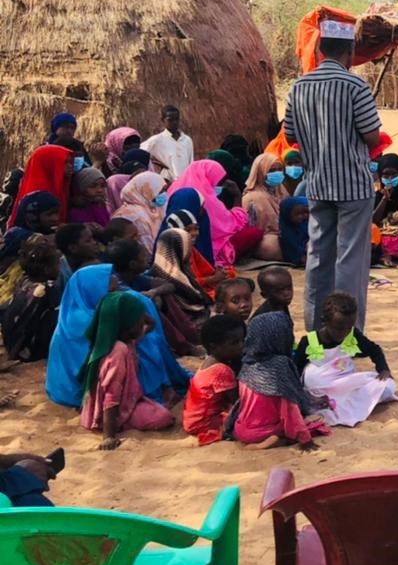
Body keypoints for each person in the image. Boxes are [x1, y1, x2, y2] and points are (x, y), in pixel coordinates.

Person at [283, 19, 383, 329]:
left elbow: (289, 135)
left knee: (318, 260)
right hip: (353, 185)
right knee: (350, 263)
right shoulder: (355, 86)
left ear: (322, 49)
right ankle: (348, 333)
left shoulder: (299, 87)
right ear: (350, 51)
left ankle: (316, 331)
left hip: (316, 183)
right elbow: (372, 137)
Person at [45, 259, 189, 408]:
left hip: (63, 390)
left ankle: (165, 386)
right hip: (85, 391)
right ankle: (164, 387)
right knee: (146, 342)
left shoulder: (71, 313)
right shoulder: (88, 319)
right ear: (93, 290)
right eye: (110, 292)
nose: (115, 296)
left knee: (145, 339)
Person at [78, 291, 175, 448]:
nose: (142, 322)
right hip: (113, 412)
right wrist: (108, 436)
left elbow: (150, 324)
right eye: (138, 320)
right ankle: (118, 425)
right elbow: (111, 393)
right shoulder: (118, 350)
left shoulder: (123, 340)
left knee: (160, 409)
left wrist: (136, 312)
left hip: (127, 400)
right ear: (128, 325)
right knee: (164, 417)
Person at [293, 290, 396, 427]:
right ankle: (331, 407)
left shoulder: (352, 336)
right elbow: (295, 370)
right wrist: (306, 397)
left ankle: (338, 406)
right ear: (325, 321)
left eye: (349, 327)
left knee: (387, 386)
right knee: (313, 405)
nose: (345, 332)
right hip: (319, 393)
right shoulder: (308, 341)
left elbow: (374, 350)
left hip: (344, 384)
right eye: (339, 328)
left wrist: (383, 369)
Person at [228, 311, 330, 450]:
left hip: (241, 429)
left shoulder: (247, 363)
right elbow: (289, 409)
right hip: (263, 432)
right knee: (315, 423)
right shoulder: (280, 366)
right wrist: (306, 441)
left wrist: (311, 400)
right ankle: (274, 441)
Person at [170, 160, 262, 267]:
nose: (220, 186)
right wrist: (237, 195)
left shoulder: (174, 189)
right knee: (254, 233)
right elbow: (232, 224)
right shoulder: (205, 198)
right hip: (209, 249)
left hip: (178, 247)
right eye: (219, 182)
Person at [149, 225, 214, 356]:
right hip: (186, 322)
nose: (190, 250)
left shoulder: (178, 267)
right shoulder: (170, 275)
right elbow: (195, 300)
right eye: (188, 246)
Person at [182, 315, 245, 445]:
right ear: (214, 346)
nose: (241, 346)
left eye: (242, 340)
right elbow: (237, 402)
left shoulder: (209, 362)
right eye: (234, 343)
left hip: (191, 419)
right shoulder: (222, 370)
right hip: (204, 424)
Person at [2, 236, 61, 362]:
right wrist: (15, 351)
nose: (60, 268)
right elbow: (28, 323)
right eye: (58, 264)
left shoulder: (24, 282)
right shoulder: (46, 289)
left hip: (11, 340)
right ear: (47, 269)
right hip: (27, 348)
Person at [8, 144, 74, 228]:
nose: (71, 166)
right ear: (49, 163)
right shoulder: (36, 196)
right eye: (65, 162)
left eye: (71, 162)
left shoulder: (62, 187)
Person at [241, 152, 288, 260]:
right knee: (269, 246)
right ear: (261, 172)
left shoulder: (281, 191)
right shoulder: (252, 197)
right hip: (268, 238)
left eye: (279, 169)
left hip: (287, 233)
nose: (277, 173)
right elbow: (252, 227)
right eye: (272, 170)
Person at [110, 172, 169, 255]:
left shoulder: (152, 208)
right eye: (160, 191)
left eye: (164, 190)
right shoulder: (133, 215)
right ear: (145, 191)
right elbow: (149, 247)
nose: (164, 194)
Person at [140, 105, 194, 180]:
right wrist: (155, 163)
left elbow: (191, 162)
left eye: (176, 119)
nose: (174, 122)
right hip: (168, 182)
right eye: (170, 120)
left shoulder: (187, 140)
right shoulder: (157, 140)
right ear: (163, 120)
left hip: (186, 181)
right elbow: (139, 152)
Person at [278, 196, 310, 267]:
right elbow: (293, 253)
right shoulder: (286, 233)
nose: (303, 216)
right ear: (287, 214)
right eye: (298, 214)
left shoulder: (306, 224)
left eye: (306, 212)